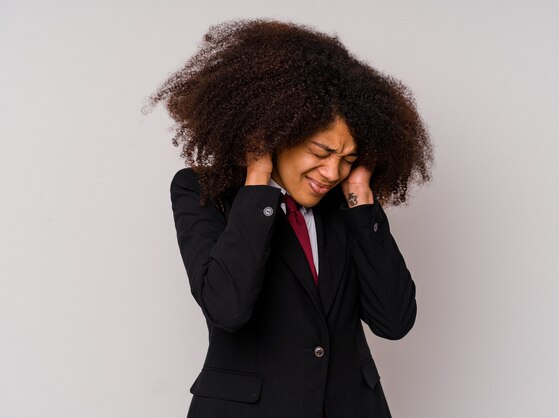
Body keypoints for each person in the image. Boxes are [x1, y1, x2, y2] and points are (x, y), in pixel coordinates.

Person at [147, 18, 433, 418]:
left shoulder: (348, 207)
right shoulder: (202, 191)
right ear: (277, 131)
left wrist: (363, 200)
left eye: (347, 159)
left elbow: (394, 321)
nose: (333, 173)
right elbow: (227, 308)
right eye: (321, 152)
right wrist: (258, 182)